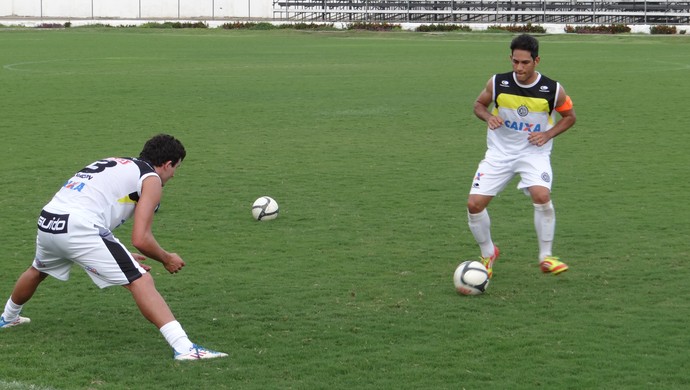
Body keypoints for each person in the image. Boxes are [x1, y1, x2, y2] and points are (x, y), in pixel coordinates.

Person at [0, 134, 228, 361]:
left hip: (49, 221)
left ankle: (8, 317)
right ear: (167, 164)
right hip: (79, 227)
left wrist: (120, 252)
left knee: (38, 270)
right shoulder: (151, 179)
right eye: (176, 167)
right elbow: (141, 239)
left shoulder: (119, 162)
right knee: (140, 280)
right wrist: (166, 258)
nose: (174, 174)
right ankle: (185, 348)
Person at [467, 34, 576, 278]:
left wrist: (548, 135)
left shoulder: (553, 89)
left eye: (525, 63)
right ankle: (488, 253)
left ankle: (546, 257)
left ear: (536, 60)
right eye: (515, 62)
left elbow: (570, 117)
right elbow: (478, 105)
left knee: (542, 194)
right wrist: (488, 117)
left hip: (533, 153)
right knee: (474, 205)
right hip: (499, 153)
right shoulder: (497, 83)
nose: (519, 68)